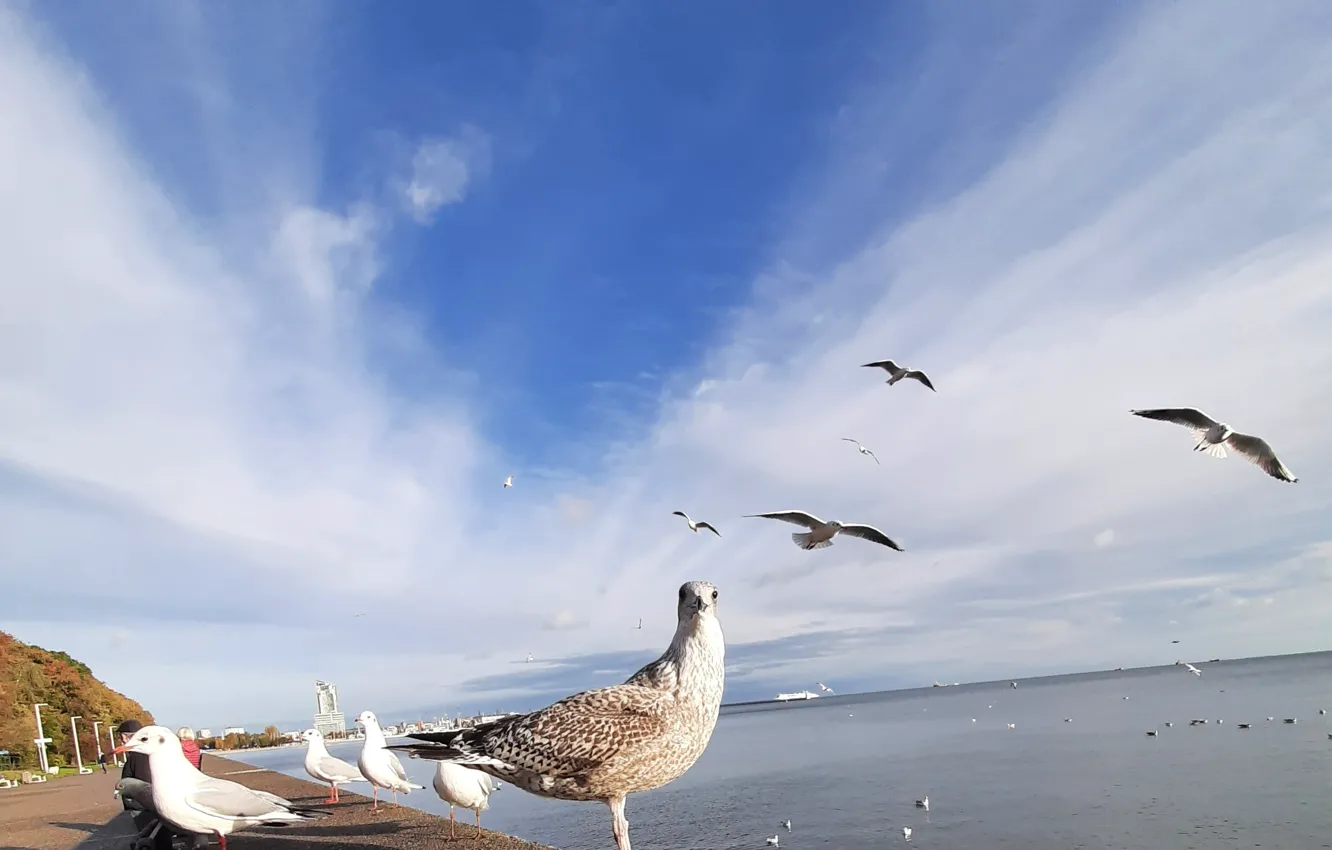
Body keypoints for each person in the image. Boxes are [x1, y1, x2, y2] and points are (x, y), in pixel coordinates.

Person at [117, 719, 174, 850]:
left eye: (121, 736)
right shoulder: (149, 753)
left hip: (144, 806)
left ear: (126, 736)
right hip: (152, 803)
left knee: (154, 838)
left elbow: (144, 781)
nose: (121, 740)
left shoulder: (137, 755)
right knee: (161, 836)